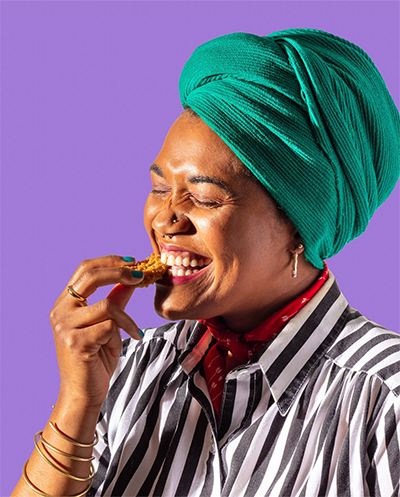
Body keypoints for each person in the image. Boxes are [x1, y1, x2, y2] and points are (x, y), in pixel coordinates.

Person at [13, 28, 400, 497]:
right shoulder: (132, 369)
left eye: (204, 197)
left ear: (301, 227)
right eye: (159, 189)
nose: (165, 218)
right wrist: (76, 403)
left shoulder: (385, 400)